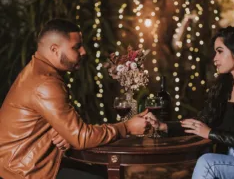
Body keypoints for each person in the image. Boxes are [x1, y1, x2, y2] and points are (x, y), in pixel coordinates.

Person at [0, 18, 148, 179]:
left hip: (27, 163)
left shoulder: (38, 71)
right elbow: (81, 137)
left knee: (105, 172)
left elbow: (70, 130)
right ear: (54, 49)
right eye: (76, 47)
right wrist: (127, 127)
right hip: (25, 172)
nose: (84, 51)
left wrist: (64, 132)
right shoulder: (46, 83)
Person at [146, 26, 234, 179]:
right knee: (206, 158)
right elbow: (201, 123)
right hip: (228, 158)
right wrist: (164, 126)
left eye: (220, 51)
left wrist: (210, 133)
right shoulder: (223, 87)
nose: (215, 58)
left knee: (207, 162)